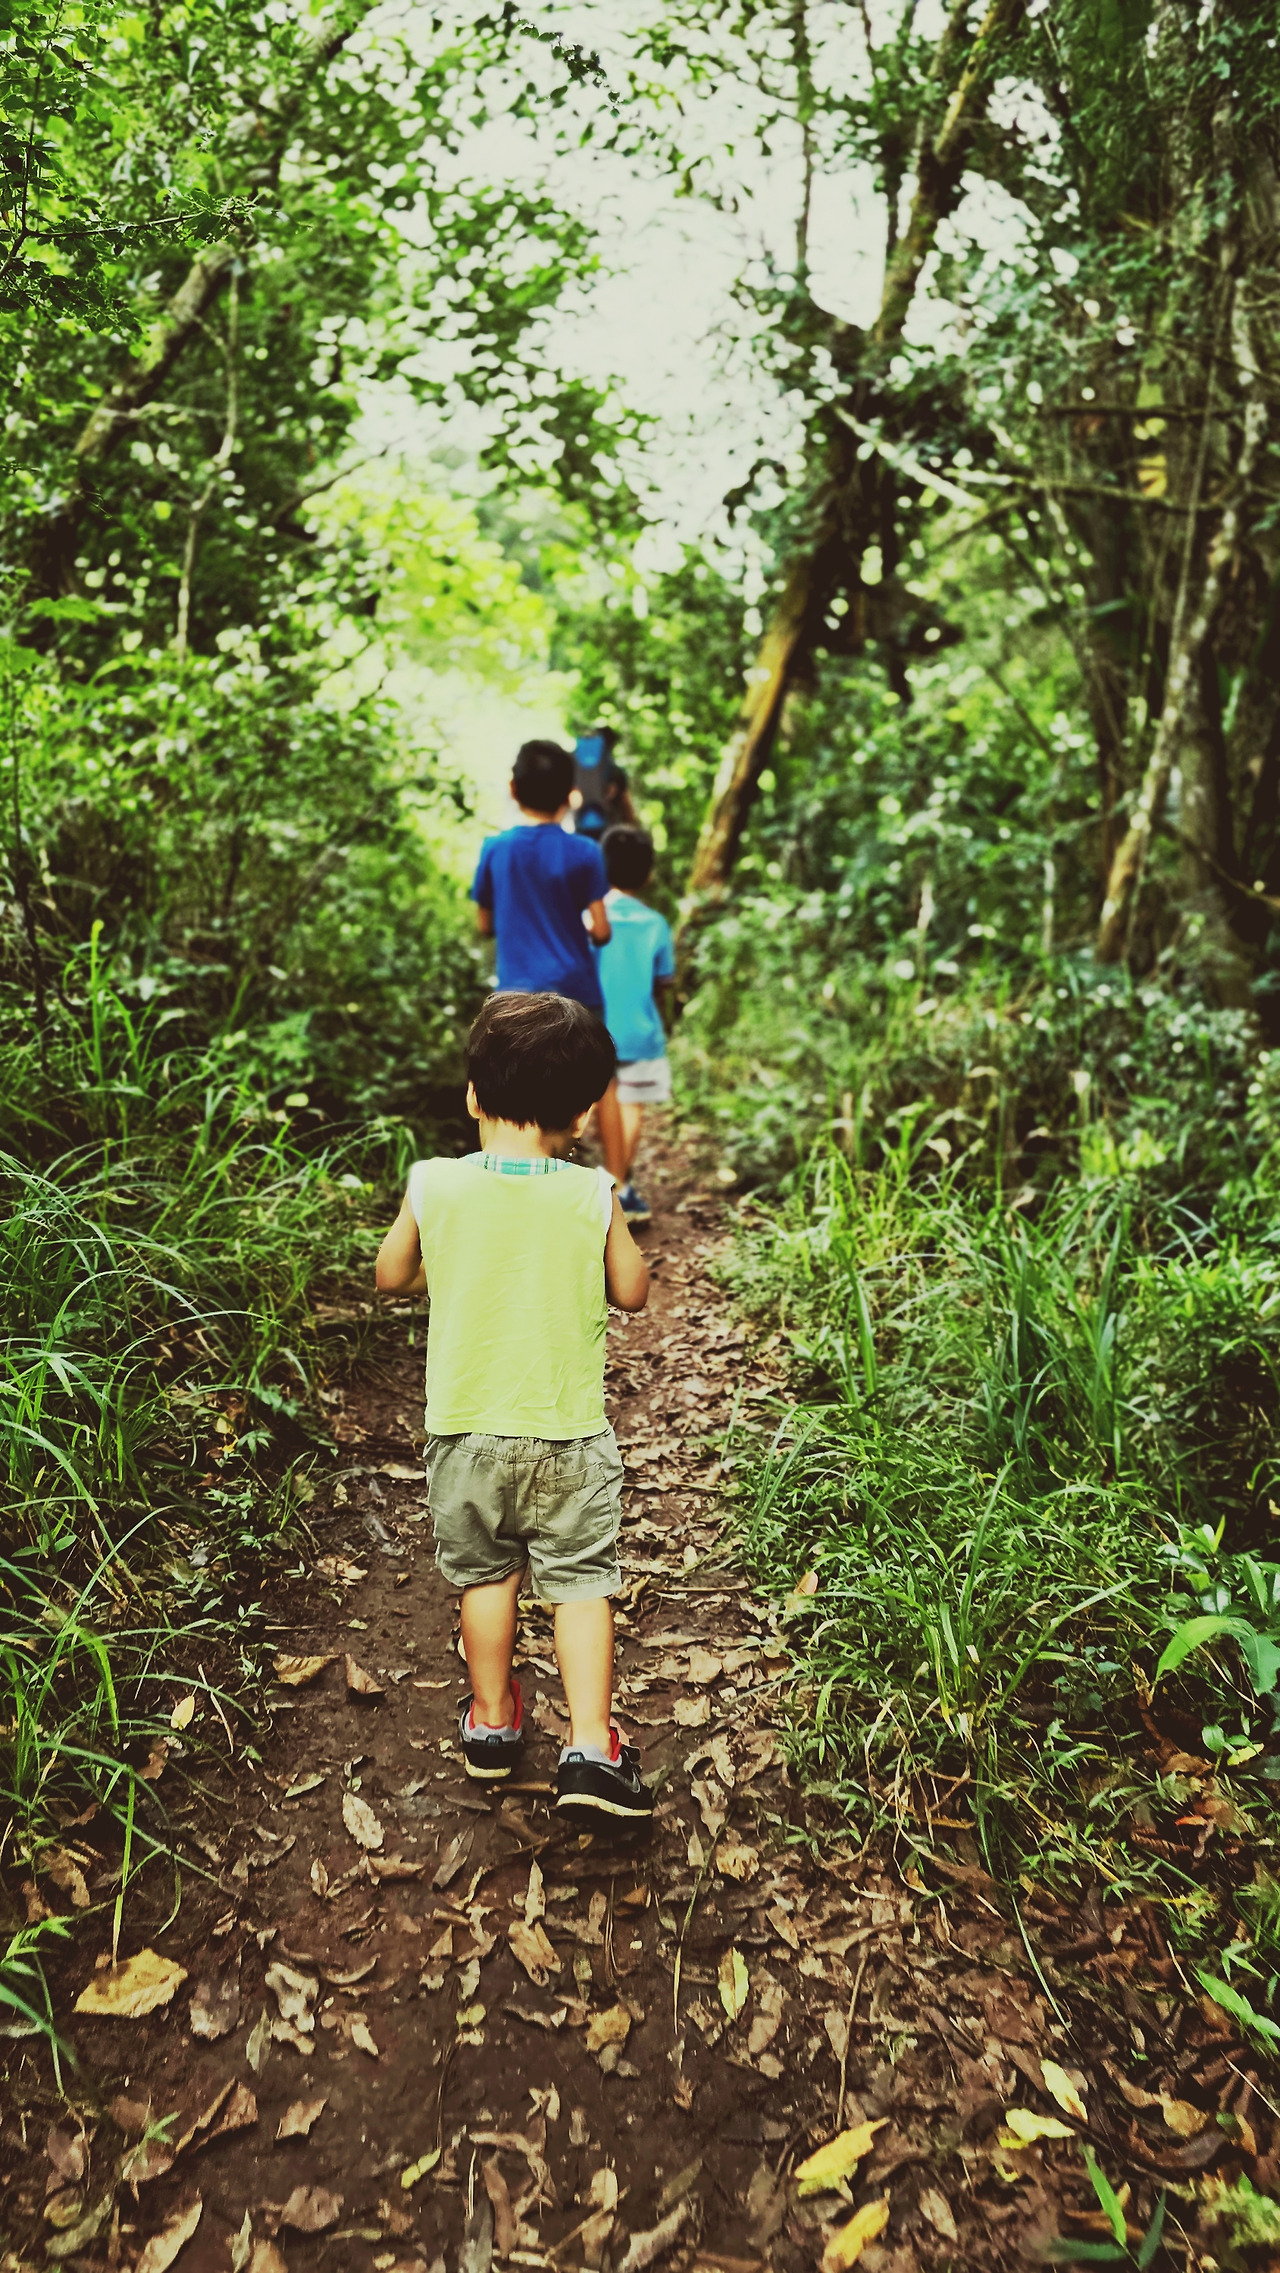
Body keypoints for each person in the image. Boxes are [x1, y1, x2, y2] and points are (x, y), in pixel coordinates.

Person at [374, 991, 654, 1822]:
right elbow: (633, 1290)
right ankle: (592, 1748)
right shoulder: (591, 1191)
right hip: (566, 1433)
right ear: (582, 1112)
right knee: (581, 1585)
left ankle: (493, 1722)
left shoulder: (434, 1182)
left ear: (472, 1094)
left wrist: (443, 1265)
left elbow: (391, 1274)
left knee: (487, 1578)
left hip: (464, 1433)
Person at [472, 739, 628, 1187]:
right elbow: (601, 929)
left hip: (515, 997)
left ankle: (503, 1186)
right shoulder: (585, 852)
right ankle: (621, 1187)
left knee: (507, 1094)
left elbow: (484, 924)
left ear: (513, 789)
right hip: (576, 988)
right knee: (604, 1088)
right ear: (570, 795)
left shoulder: (495, 849)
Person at [594, 825, 675, 1229]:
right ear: (647, 874)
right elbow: (665, 979)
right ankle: (619, 1186)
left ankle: (608, 1186)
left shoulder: (588, 917)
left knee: (600, 1105)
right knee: (632, 1107)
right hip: (640, 1031)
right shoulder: (656, 923)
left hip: (595, 1029)